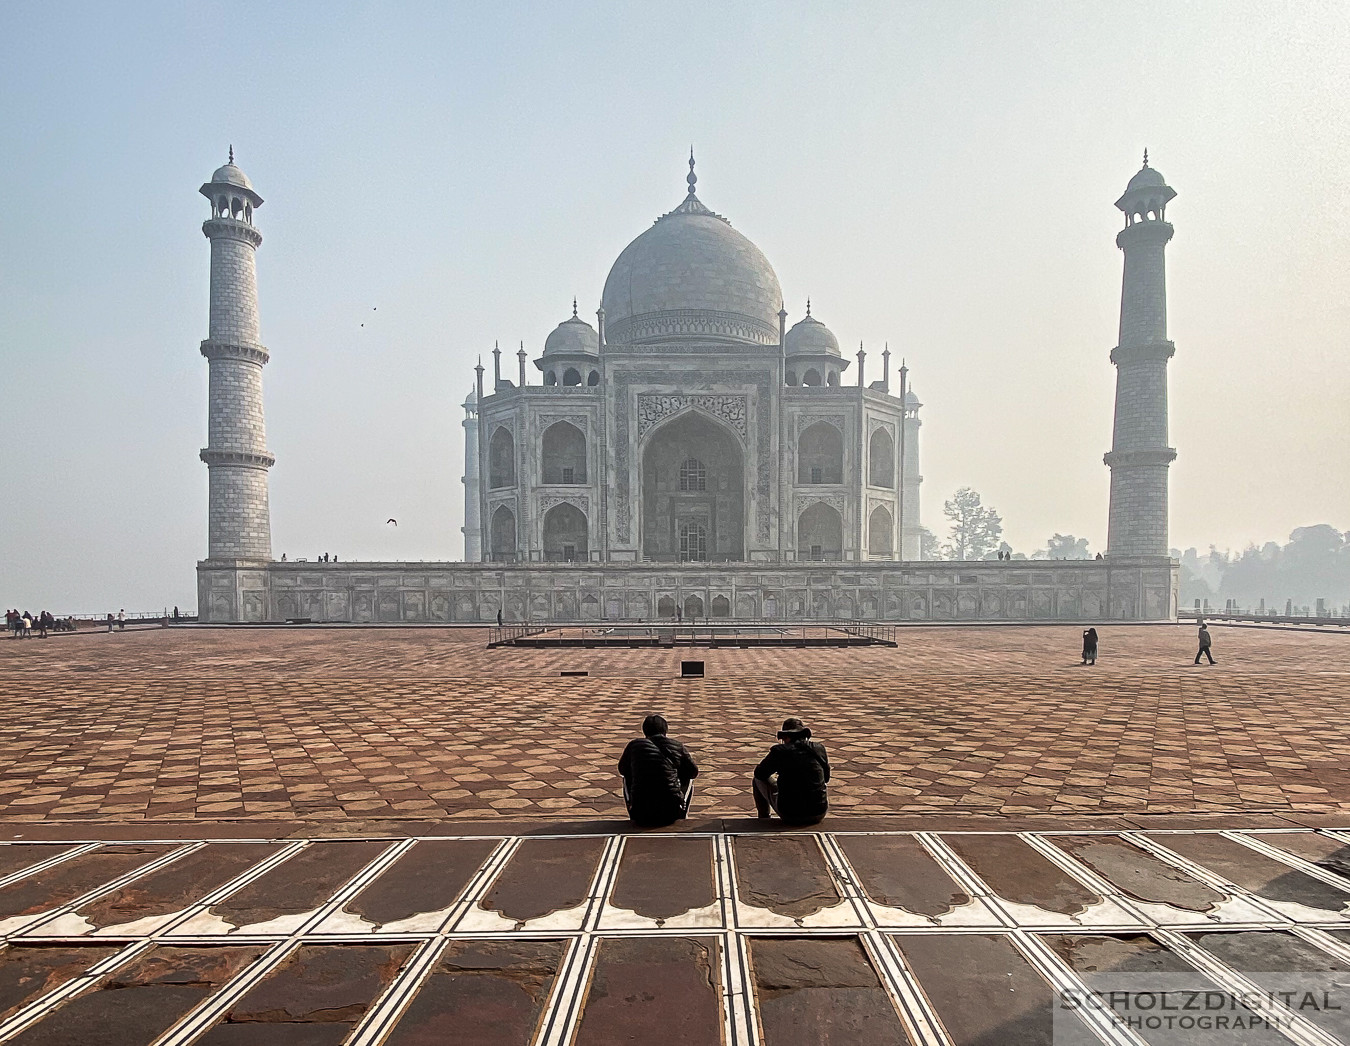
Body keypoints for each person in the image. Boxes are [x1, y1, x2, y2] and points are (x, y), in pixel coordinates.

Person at [618, 714, 699, 827]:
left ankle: (631, 806)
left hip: (640, 813)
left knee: (627, 777)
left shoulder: (634, 746)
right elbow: (693, 772)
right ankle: (682, 811)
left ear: (644, 730)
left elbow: (622, 770)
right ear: (665, 730)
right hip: (671, 813)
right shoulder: (677, 746)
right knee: (688, 777)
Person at [753, 717, 831, 826]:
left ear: (785, 736)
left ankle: (764, 818)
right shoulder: (819, 748)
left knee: (756, 780)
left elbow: (760, 774)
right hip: (819, 812)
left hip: (791, 814)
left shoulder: (779, 751)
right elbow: (826, 779)